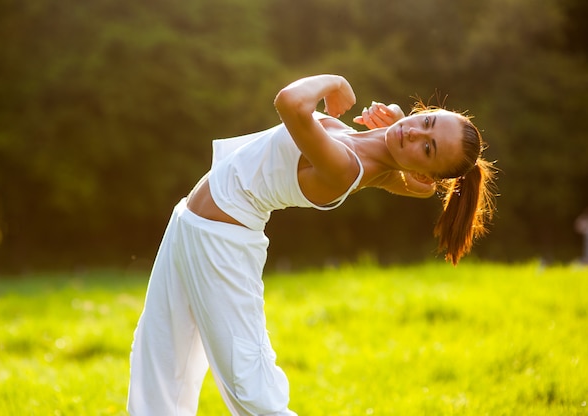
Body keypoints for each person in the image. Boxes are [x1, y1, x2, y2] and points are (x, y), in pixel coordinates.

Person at [127, 74, 496, 415]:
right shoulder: (379, 153)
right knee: (160, 351)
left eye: (428, 149)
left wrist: (335, 82)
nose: (414, 134)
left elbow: (290, 102)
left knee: (249, 384)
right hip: (189, 224)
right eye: (426, 122)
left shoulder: (348, 168)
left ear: (421, 169)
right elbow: (425, 186)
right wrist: (396, 123)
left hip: (222, 245)